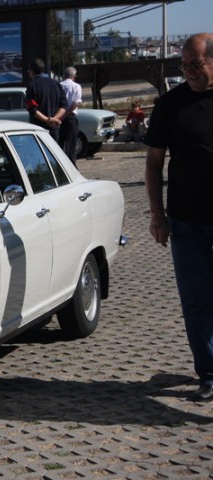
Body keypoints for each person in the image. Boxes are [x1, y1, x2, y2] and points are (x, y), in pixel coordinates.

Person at [144, 33, 213, 402]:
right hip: (187, 220)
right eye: (184, 66)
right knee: (196, 299)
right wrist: (157, 215)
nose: (189, 72)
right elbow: (154, 163)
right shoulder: (170, 104)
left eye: (195, 64)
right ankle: (209, 374)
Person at [25, 58, 67, 141]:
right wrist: (53, 119)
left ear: (32, 71)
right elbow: (64, 106)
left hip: (38, 129)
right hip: (54, 128)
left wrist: (47, 120)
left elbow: (32, 108)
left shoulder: (32, 85)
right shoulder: (56, 84)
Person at [58, 66, 83, 164]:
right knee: (71, 146)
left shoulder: (59, 85)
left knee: (59, 144)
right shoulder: (76, 86)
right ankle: (71, 165)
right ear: (74, 76)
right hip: (70, 117)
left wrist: (60, 116)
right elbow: (75, 104)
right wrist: (65, 115)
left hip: (58, 116)